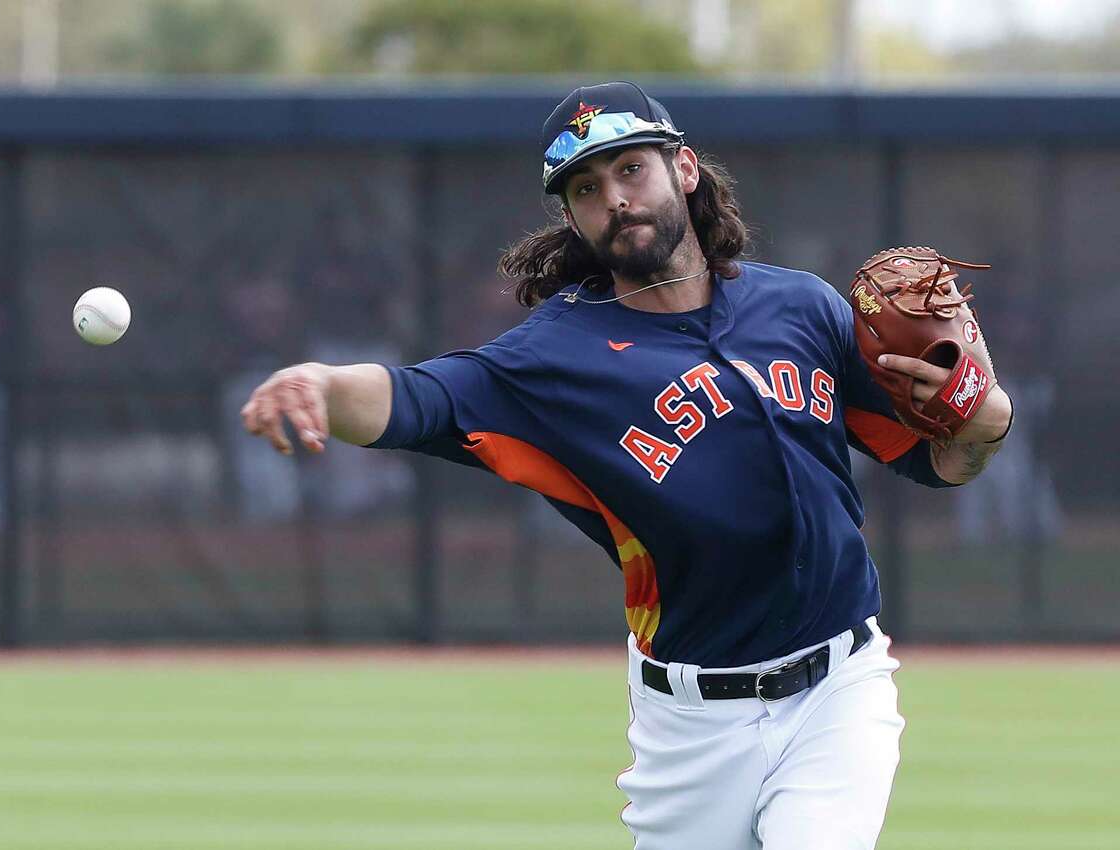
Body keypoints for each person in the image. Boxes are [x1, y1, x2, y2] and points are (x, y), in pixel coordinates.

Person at [241, 82, 1013, 849]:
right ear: (572, 214)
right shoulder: (554, 358)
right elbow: (421, 399)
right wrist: (325, 386)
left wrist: (988, 418)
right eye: (586, 186)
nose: (613, 196)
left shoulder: (803, 309)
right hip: (692, 727)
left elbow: (936, 463)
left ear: (683, 169)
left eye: (629, 169)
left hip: (839, 687)